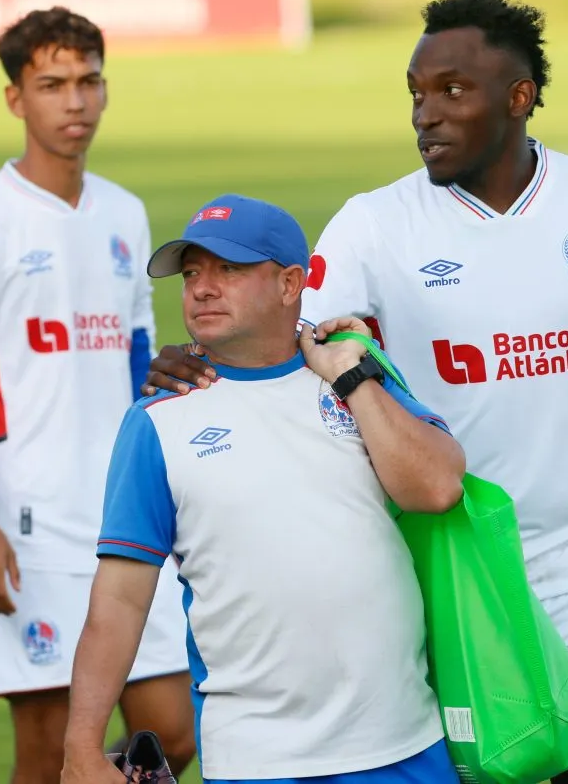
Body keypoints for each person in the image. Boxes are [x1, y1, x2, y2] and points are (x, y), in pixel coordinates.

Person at [143, 0, 568, 784]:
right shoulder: (373, 226)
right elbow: (286, 353)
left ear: (519, 97)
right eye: (416, 95)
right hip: (446, 577)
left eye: (452, 92)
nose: (426, 113)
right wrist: (196, 363)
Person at [61, 194, 466, 784]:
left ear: (289, 284)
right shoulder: (155, 422)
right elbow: (119, 600)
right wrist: (81, 747)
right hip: (257, 760)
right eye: (192, 272)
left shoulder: (352, 378)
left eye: (228, 269)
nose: (202, 287)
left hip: (404, 746)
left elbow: (437, 487)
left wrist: (352, 375)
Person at [0, 6, 195, 784]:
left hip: (124, 513)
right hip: (27, 523)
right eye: (52, 85)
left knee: (171, 733)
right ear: (16, 99)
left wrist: (170, 373)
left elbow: (138, 355)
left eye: (88, 82)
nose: (75, 101)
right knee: (45, 754)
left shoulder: (124, 212)